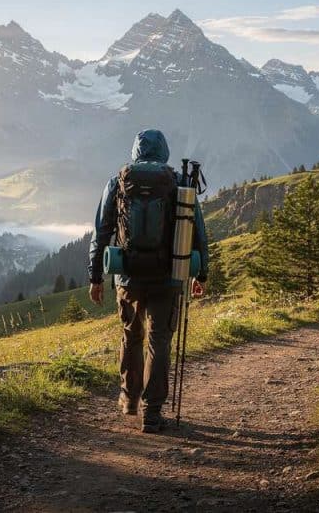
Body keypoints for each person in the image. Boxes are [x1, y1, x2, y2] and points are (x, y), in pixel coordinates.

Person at [88, 129, 209, 433]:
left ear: (135, 151)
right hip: (168, 276)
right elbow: (197, 230)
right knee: (159, 342)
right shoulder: (179, 182)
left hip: (127, 276)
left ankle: (129, 400)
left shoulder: (119, 181)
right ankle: (151, 413)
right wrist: (201, 272)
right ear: (165, 151)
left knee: (131, 336)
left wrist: (96, 275)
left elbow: (101, 230)